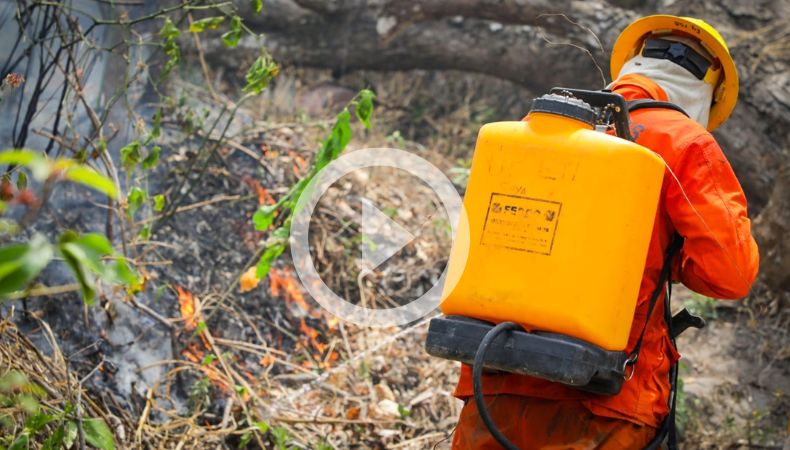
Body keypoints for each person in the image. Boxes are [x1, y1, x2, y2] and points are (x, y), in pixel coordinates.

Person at [451, 15, 760, 449]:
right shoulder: (686, 143)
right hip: (606, 399)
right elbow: (730, 274)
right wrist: (670, 257)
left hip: (497, 375)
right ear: (707, 92)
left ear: (632, 61)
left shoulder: (543, 124)